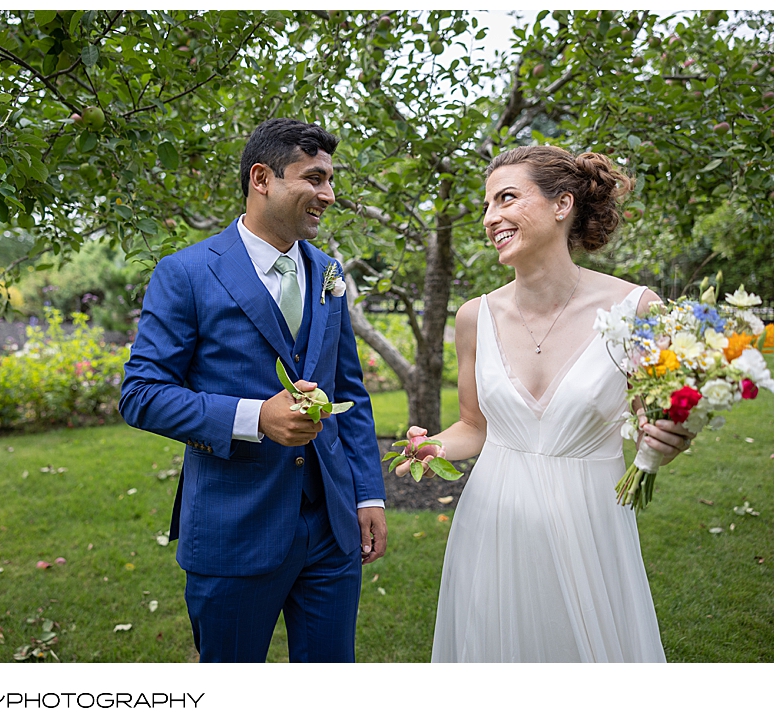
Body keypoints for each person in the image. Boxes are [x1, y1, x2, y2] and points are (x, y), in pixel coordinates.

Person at [400, 145, 695, 663]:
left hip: (592, 525)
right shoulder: (474, 317)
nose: (492, 218)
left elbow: (655, 421)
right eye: (487, 206)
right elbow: (474, 425)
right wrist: (434, 447)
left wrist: (666, 442)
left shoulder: (638, 310)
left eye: (507, 199)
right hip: (491, 526)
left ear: (562, 205)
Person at [119, 118, 387, 663]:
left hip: (331, 529)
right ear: (262, 178)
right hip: (234, 528)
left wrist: (367, 493)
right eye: (314, 179)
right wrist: (254, 418)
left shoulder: (329, 274)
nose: (328, 195)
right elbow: (141, 394)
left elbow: (348, 394)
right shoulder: (187, 273)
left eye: (330, 180)